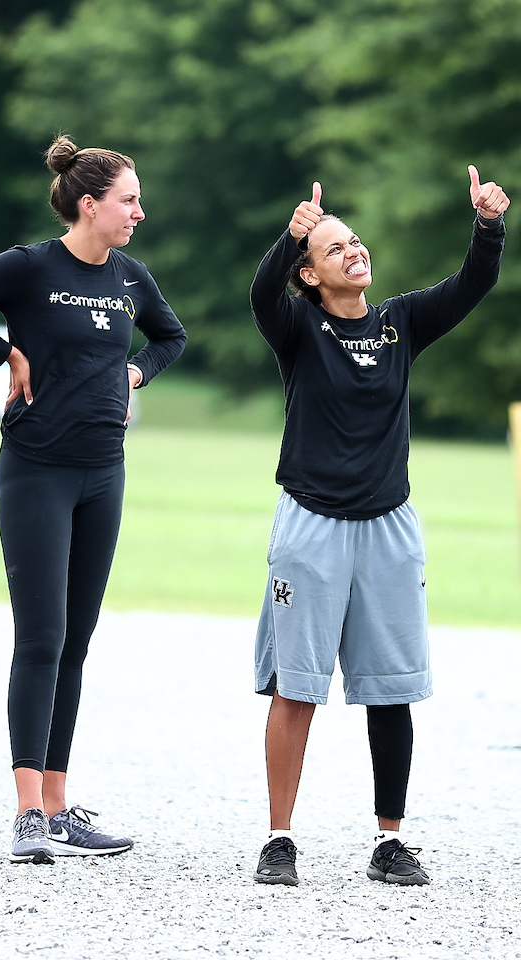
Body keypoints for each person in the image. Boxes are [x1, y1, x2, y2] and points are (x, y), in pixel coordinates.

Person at [0, 135, 186, 863]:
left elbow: (171, 337)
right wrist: (5, 352)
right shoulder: (32, 267)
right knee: (40, 638)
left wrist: (137, 373)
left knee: (77, 642)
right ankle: (27, 812)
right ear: (89, 205)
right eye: (129, 200)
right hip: (36, 471)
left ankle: (60, 808)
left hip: (104, 473)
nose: (139, 212)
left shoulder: (130, 277)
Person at [249, 171, 508, 886]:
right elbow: (261, 297)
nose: (353, 251)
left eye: (355, 242)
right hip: (311, 524)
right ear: (310, 274)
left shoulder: (401, 322)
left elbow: (473, 284)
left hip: (389, 526)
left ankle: (390, 841)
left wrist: (488, 227)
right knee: (297, 687)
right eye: (334, 248)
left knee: (391, 687)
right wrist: (291, 236)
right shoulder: (299, 327)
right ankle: (279, 838)